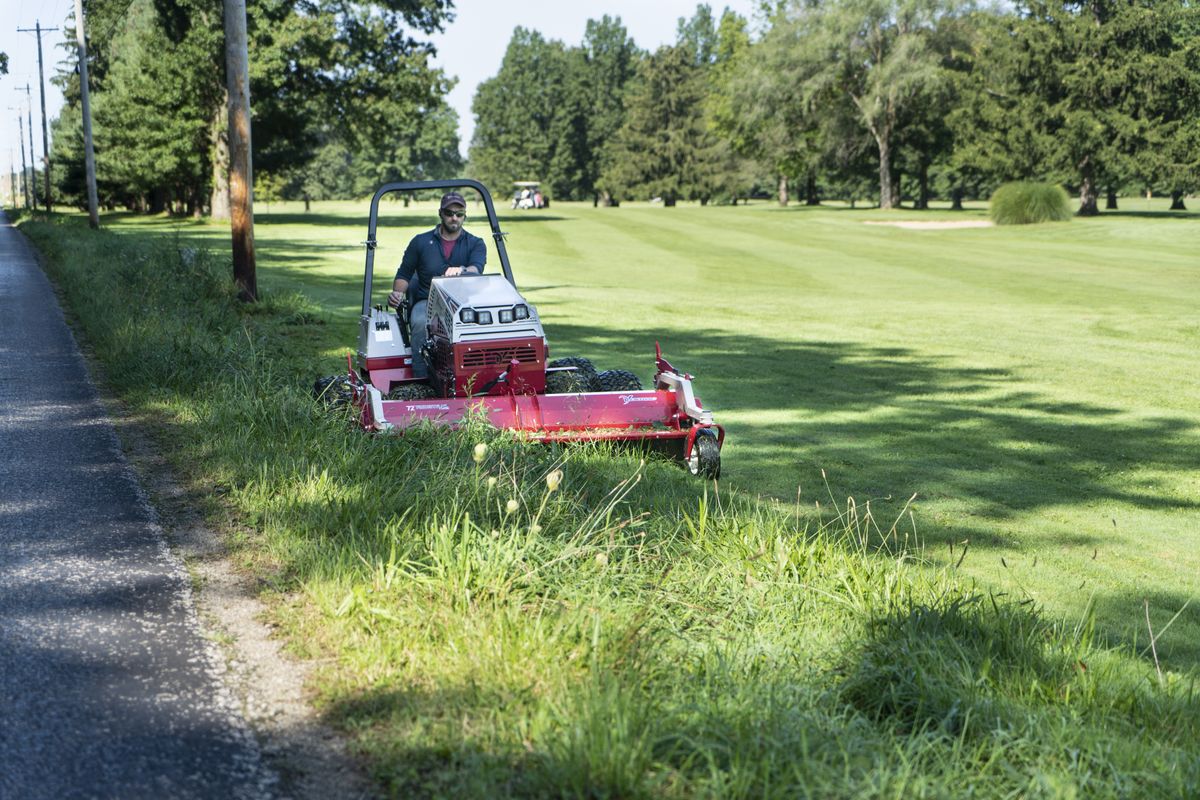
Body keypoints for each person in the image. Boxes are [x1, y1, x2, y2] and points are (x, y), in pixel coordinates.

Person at [387, 192, 486, 379]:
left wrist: (461, 270)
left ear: (465, 215)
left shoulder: (475, 243)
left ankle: (473, 377)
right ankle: (421, 378)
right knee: (418, 321)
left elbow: (476, 271)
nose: (454, 218)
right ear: (440, 213)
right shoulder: (420, 242)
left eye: (459, 213)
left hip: (463, 302)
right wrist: (397, 294)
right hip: (428, 300)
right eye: (449, 213)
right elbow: (404, 274)